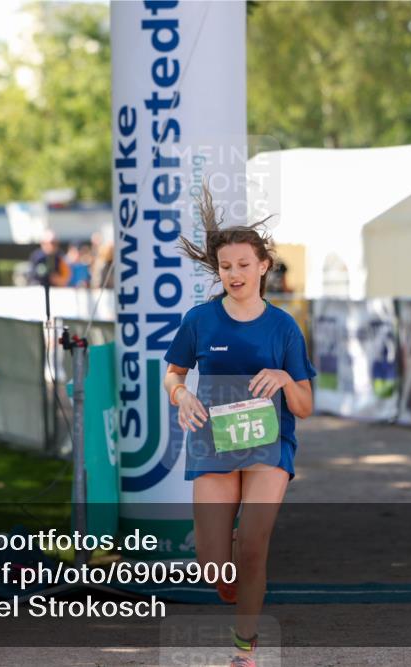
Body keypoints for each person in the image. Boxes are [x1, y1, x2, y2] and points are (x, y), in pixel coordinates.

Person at [162, 185, 315, 667]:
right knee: (214, 566)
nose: (234, 275)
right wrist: (181, 394)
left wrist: (287, 378)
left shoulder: (283, 327)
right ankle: (228, 576)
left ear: (264, 266)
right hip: (212, 444)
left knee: (253, 545)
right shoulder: (200, 320)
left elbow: (306, 406)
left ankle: (244, 651)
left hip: (269, 446)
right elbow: (173, 373)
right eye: (226, 267)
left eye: (244, 265)